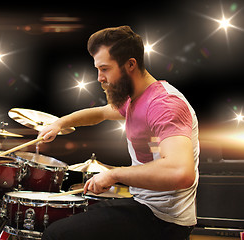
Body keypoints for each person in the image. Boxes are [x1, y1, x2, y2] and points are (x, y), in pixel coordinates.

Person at [38, 26, 199, 240]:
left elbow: (181, 172)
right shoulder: (137, 97)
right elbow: (102, 113)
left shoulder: (165, 105)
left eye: (105, 69)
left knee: (55, 235)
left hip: (164, 220)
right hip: (144, 205)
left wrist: (114, 174)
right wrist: (60, 123)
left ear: (130, 64)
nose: (99, 78)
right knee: (85, 214)